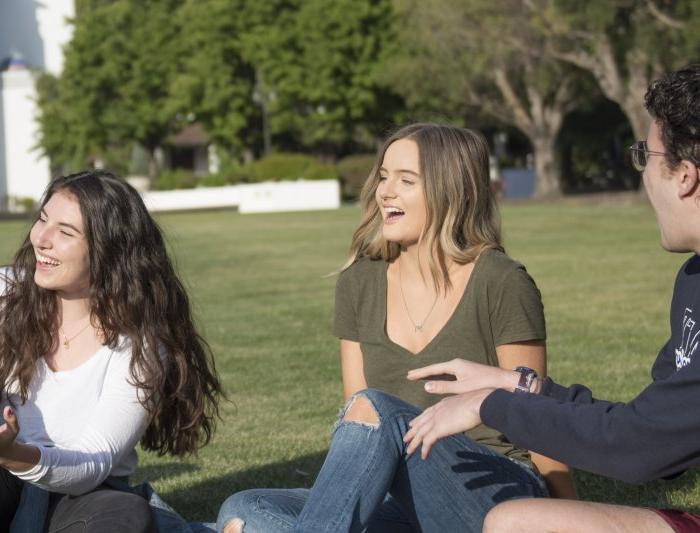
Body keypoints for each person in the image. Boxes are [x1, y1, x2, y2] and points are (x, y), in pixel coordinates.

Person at [217, 123, 575, 533]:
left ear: (451, 191)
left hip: (492, 488)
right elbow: (356, 422)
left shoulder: (501, 281)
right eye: (383, 177)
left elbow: (540, 416)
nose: (384, 191)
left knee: (379, 409)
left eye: (406, 180)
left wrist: (571, 519)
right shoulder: (358, 282)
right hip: (402, 496)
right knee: (246, 509)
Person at [403, 65, 700, 533]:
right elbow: (647, 429)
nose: (643, 174)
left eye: (646, 154)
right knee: (515, 520)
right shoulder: (694, 279)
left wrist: (490, 405)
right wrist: (517, 384)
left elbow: (638, 450)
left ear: (684, 175)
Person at [0, 170, 222, 533]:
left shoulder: (141, 346)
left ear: (108, 250)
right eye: (42, 219)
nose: (41, 239)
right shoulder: (7, 293)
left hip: (79, 493)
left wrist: (14, 454)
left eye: (66, 232)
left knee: (122, 514)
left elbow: (93, 464)